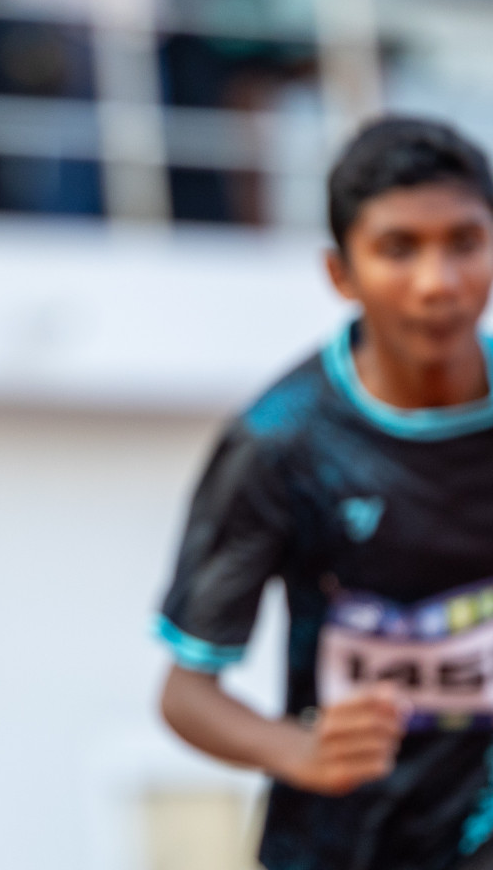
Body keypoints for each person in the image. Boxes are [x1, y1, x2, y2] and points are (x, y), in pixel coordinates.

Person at [156, 116, 493, 870]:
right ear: (341, 274)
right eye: (399, 249)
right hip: (338, 846)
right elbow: (185, 693)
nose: (438, 282)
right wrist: (297, 749)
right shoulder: (281, 442)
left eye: (464, 243)